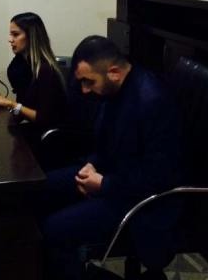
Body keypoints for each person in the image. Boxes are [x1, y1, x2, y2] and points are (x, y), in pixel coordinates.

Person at [39, 35, 182, 280]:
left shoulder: (152, 101)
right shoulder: (114, 91)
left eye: (88, 81)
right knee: (38, 188)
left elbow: (159, 175)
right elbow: (107, 143)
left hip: (140, 199)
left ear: (113, 72)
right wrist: (92, 165)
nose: (84, 90)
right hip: (115, 176)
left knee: (53, 230)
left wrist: (103, 184)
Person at [0, 12, 67, 146]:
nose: (10, 39)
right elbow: (24, 106)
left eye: (15, 35)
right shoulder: (19, 64)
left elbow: (44, 119)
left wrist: (10, 104)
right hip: (32, 127)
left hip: (47, 137)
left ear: (32, 37)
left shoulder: (45, 70)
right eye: (10, 34)